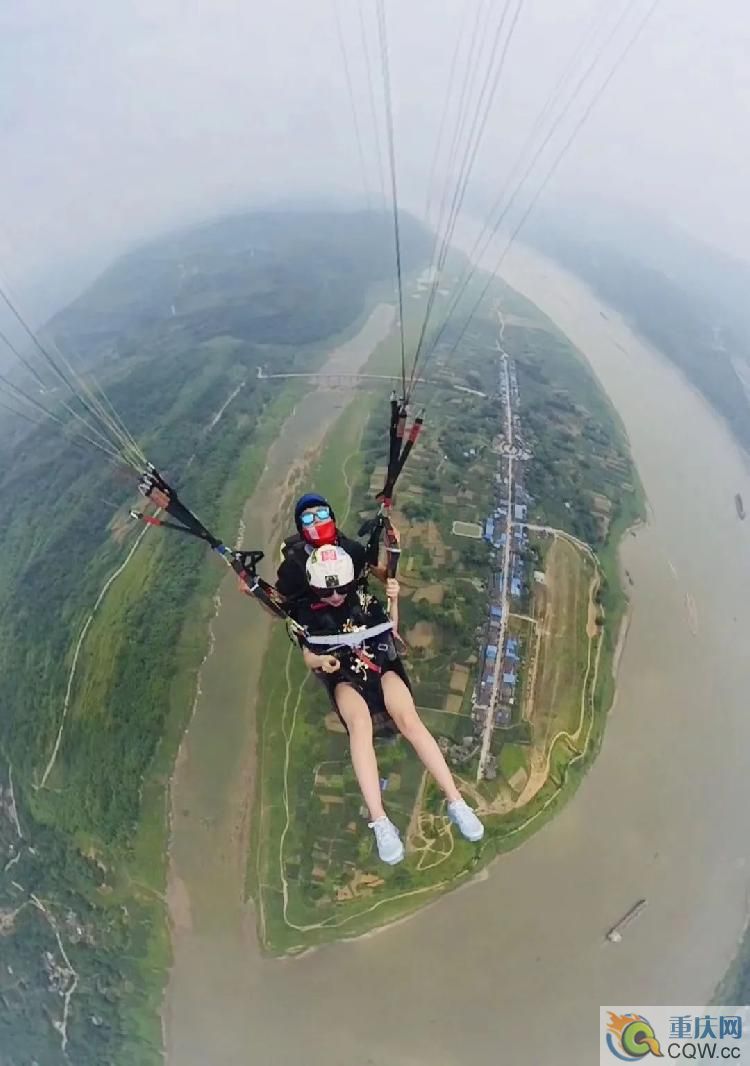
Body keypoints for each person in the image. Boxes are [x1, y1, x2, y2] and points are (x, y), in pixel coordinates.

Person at [289, 544, 485, 865]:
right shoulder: (305, 612)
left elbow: (388, 629)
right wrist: (321, 661)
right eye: (327, 591)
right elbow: (308, 653)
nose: (335, 596)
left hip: (380, 667)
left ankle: (456, 801)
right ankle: (380, 821)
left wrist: (393, 600)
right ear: (315, 587)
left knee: (409, 720)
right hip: (343, 677)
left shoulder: (363, 597)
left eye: (340, 588)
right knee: (360, 726)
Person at [275, 493, 383, 602]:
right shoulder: (293, 566)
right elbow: (282, 597)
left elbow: (376, 571)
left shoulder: (353, 550)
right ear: (301, 528)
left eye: (322, 513)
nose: (317, 520)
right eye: (308, 518)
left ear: (332, 519)